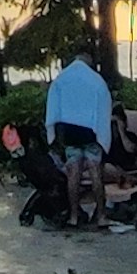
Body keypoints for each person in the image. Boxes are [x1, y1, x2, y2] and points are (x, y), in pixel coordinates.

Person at [46, 50, 113, 229]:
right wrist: (102, 135)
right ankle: (101, 216)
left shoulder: (62, 79)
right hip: (90, 133)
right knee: (95, 174)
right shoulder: (95, 80)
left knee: (73, 175)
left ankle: (74, 216)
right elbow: (104, 107)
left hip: (71, 133)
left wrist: (52, 133)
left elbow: (52, 106)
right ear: (88, 59)